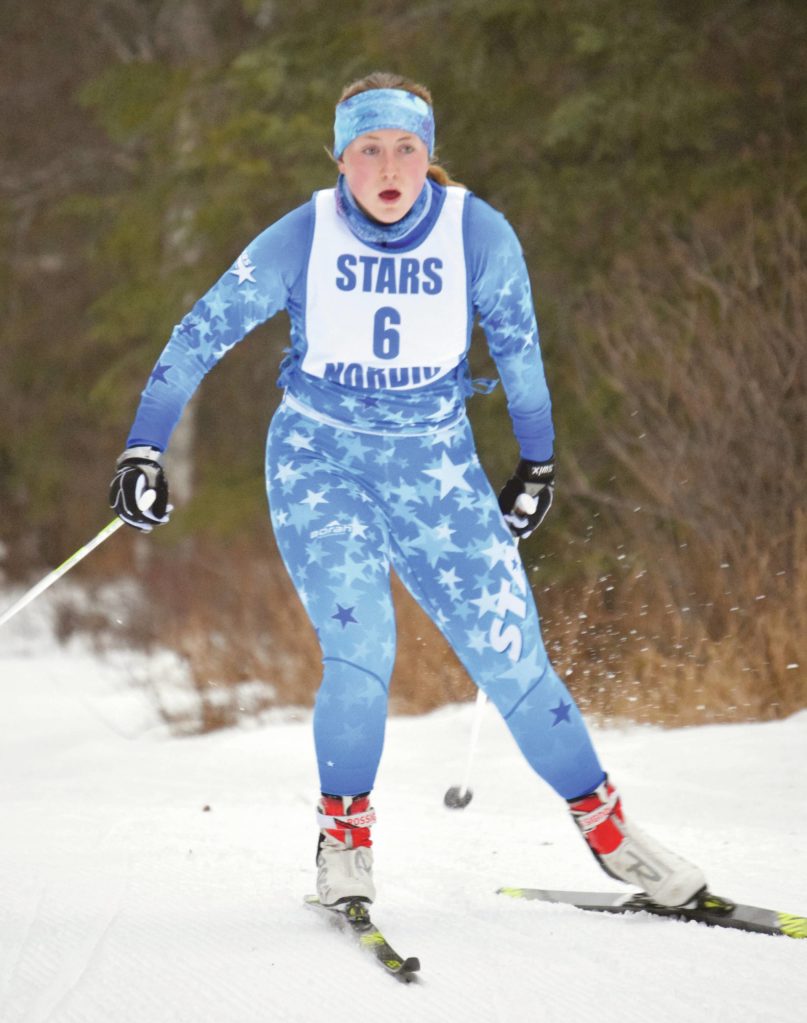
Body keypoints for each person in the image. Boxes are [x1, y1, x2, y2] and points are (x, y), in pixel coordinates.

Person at [110, 71, 706, 910]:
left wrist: (536, 465)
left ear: (428, 156)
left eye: (405, 149)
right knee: (362, 654)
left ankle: (613, 837)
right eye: (368, 150)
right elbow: (197, 335)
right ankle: (344, 847)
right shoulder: (301, 236)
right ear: (339, 159)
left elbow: (521, 355)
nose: (388, 168)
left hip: (436, 470)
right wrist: (143, 448)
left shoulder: (476, 233)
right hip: (320, 463)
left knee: (513, 659)